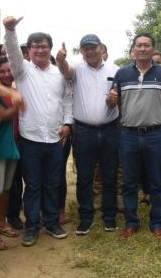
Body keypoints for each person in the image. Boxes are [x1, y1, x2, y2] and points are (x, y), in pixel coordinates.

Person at [2, 16, 73, 247]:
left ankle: (51, 222)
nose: (40, 50)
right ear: (29, 51)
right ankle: (32, 226)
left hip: (55, 139)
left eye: (44, 46)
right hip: (30, 138)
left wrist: (67, 123)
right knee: (32, 186)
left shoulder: (59, 73)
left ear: (50, 49)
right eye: (35, 46)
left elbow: (67, 100)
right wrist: (10, 30)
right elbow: (12, 51)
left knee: (53, 183)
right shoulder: (22, 71)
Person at [111, 33, 161, 239]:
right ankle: (131, 222)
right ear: (133, 50)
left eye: (147, 45)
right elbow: (112, 102)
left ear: (153, 49)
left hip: (156, 134)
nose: (143, 49)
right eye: (139, 45)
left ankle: (157, 223)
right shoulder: (122, 74)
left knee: (156, 181)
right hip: (128, 134)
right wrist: (110, 99)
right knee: (129, 181)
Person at [57, 34, 120, 235]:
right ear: (82, 51)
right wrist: (60, 60)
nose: (90, 51)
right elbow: (65, 72)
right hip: (84, 131)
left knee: (110, 175)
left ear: (101, 48)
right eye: (86, 48)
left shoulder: (115, 70)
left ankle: (109, 217)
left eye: (93, 47)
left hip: (110, 129)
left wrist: (114, 100)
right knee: (84, 177)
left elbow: (119, 94)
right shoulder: (77, 68)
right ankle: (86, 217)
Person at [0, 56, 21, 249]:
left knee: (6, 187)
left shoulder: (14, 90)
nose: (7, 74)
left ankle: (1, 222)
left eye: (10, 70)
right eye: (2, 71)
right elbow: (1, 116)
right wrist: (18, 105)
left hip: (13, 144)